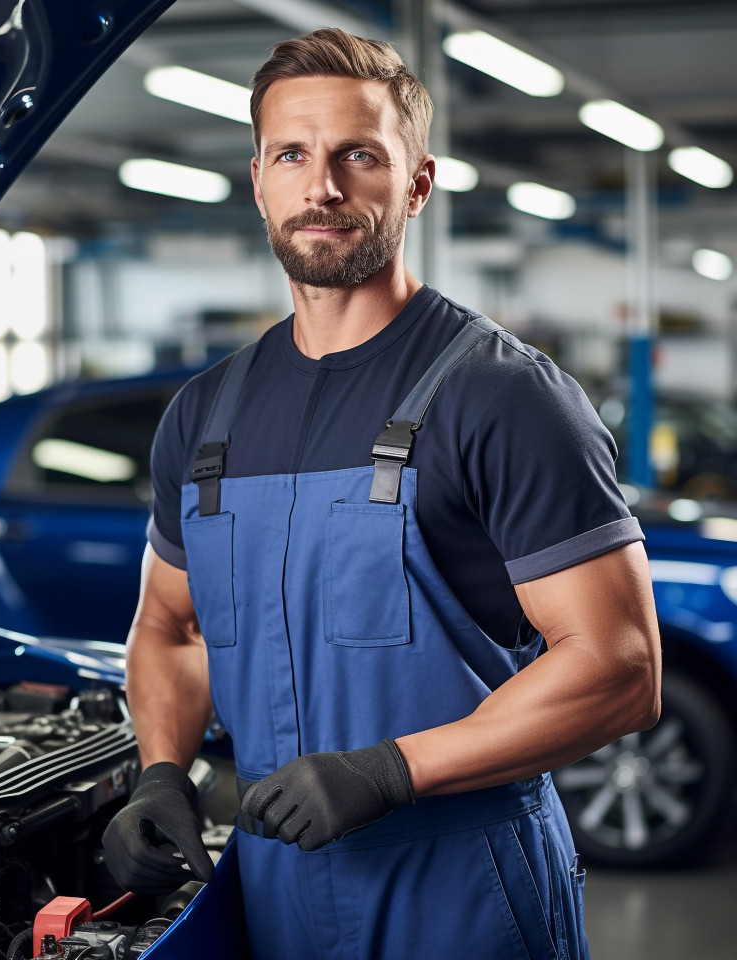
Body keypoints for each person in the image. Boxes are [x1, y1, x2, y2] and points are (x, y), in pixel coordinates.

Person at [102, 27, 661, 960]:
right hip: (273, 884)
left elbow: (618, 666)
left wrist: (395, 771)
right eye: (293, 155)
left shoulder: (504, 394)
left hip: (462, 887)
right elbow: (171, 627)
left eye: (359, 155)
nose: (322, 186)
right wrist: (163, 770)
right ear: (259, 180)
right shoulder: (204, 414)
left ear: (417, 184)